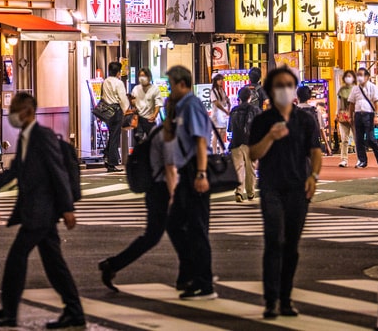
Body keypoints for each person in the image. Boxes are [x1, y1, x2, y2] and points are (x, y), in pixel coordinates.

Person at [0, 92, 83, 329]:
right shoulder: (26, 138)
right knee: (54, 264)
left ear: (27, 112)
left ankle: (9, 312)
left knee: (17, 259)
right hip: (37, 210)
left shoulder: (41, 136)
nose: (11, 113)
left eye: (15, 108)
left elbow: (57, 172)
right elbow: (13, 173)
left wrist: (67, 208)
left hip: (41, 211)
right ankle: (74, 311)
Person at [249, 67, 322, 319]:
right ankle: (271, 301)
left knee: (291, 245)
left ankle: (286, 299)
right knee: (273, 241)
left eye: (289, 84)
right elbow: (253, 154)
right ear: (271, 90)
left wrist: (314, 176)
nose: (285, 89)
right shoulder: (262, 121)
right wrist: (270, 136)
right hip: (271, 188)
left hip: (298, 188)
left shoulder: (305, 120)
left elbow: (315, 151)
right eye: (279, 85)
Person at [98, 94, 178, 292]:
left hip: (157, 190)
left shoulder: (162, 131)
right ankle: (193, 277)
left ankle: (113, 265)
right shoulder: (168, 133)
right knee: (169, 234)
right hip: (163, 191)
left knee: (165, 235)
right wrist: (174, 195)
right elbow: (170, 167)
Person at [165, 65, 217, 300]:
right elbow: (169, 137)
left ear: (182, 84)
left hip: (195, 169)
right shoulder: (179, 107)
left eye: (171, 85)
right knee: (175, 223)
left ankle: (204, 283)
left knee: (197, 228)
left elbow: (200, 142)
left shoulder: (192, 105)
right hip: (186, 171)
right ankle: (190, 272)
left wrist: (201, 173)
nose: (169, 89)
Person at [229, 78, 261, 203]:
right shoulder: (255, 110)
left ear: (239, 98)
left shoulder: (234, 111)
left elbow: (230, 128)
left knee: (238, 168)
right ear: (250, 97)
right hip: (251, 142)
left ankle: (238, 191)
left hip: (236, 142)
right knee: (251, 168)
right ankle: (250, 193)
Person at [347, 67, 378, 168]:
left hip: (369, 114)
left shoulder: (373, 87)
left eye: (361, 75)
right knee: (359, 139)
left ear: (367, 77)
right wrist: (350, 116)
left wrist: (376, 115)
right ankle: (362, 160)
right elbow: (351, 104)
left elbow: (376, 102)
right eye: (358, 75)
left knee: (371, 138)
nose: (359, 77)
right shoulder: (355, 88)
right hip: (358, 115)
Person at [100, 62, 131, 172]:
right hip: (116, 111)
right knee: (115, 136)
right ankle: (112, 163)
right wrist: (126, 110)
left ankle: (106, 155)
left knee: (112, 134)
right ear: (118, 72)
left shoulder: (105, 81)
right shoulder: (118, 83)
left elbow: (102, 96)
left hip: (106, 111)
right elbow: (122, 98)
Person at [131, 68, 161, 139]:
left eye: (144, 76)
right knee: (138, 140)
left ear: (149, 77)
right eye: (140, 76)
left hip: (149, 119)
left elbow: (158, 104)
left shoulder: (155, 89)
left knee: (152, 140)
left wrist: (155, 114)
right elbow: (133, 101)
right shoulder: (136, 89)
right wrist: (132, 103)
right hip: (138, 119)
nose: (142, 78)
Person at [337, 70, 357, 167]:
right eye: (346, 76)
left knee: (357, 139)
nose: (348, 78)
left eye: (350, 76)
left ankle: (360, 159)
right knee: (344, 139)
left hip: (355, 116)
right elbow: (339, 103)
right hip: (343, 116)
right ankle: (344, 159)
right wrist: (337, 113)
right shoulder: (342, 90)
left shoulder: (357, 89)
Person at [210, 73, 230, 151]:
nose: (221, 81)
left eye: (221, 79)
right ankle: (214, 152)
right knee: (216, 134)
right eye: (219, 79)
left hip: (222, 116)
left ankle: (222, 151)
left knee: (222, 133)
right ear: (215, 81)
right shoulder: (213, 91)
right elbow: (216, 103)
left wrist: (228, 105)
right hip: (216, 115)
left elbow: (225, 100)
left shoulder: (222, 90)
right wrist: (225, 110)